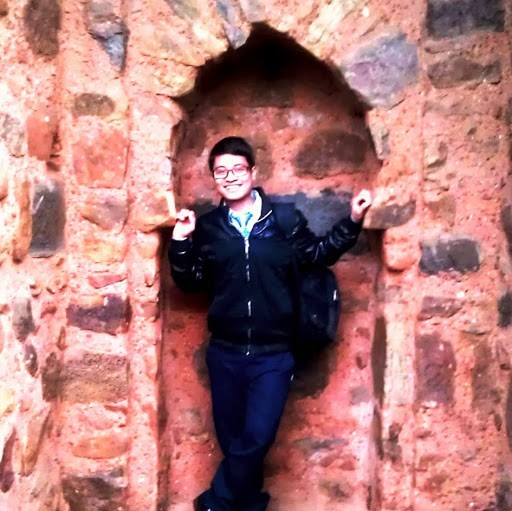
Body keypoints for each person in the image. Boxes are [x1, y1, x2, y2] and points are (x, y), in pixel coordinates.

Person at [168, 136, 372, 511]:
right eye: (221, 171)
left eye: (237, 168)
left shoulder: (283, 220)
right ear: (214, 178)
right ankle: (252, 505)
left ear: (253, 172)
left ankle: (213, 504)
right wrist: (181, 242)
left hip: (273, 354)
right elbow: (191, 282)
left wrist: (353, 220)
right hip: (225, 352)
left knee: (257, 438)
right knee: (235, 444)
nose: (230, 177)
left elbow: (318, 254)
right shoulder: (209, 228)